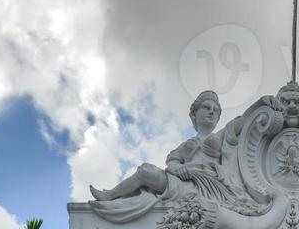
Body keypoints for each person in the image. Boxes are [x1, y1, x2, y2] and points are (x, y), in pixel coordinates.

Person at [89, 91, 242, 221]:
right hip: (185, 185)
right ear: (195, 114)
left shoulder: (222, 137)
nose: (212, 111)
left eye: (216, 110)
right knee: (145, 171)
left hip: (210, 189)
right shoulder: (186, 145)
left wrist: (263, 104)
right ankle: (109, 196)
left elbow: (244, 121)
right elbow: (173, 163)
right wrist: (181, 169)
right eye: (207, 107)